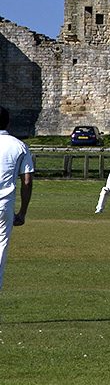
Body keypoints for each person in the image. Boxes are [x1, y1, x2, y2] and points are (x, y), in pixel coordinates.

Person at [0, 106, 34, 291]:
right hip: (4, 205)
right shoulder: (19, 145)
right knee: (1, 247)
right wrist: (22, 212)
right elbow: (27, 181)